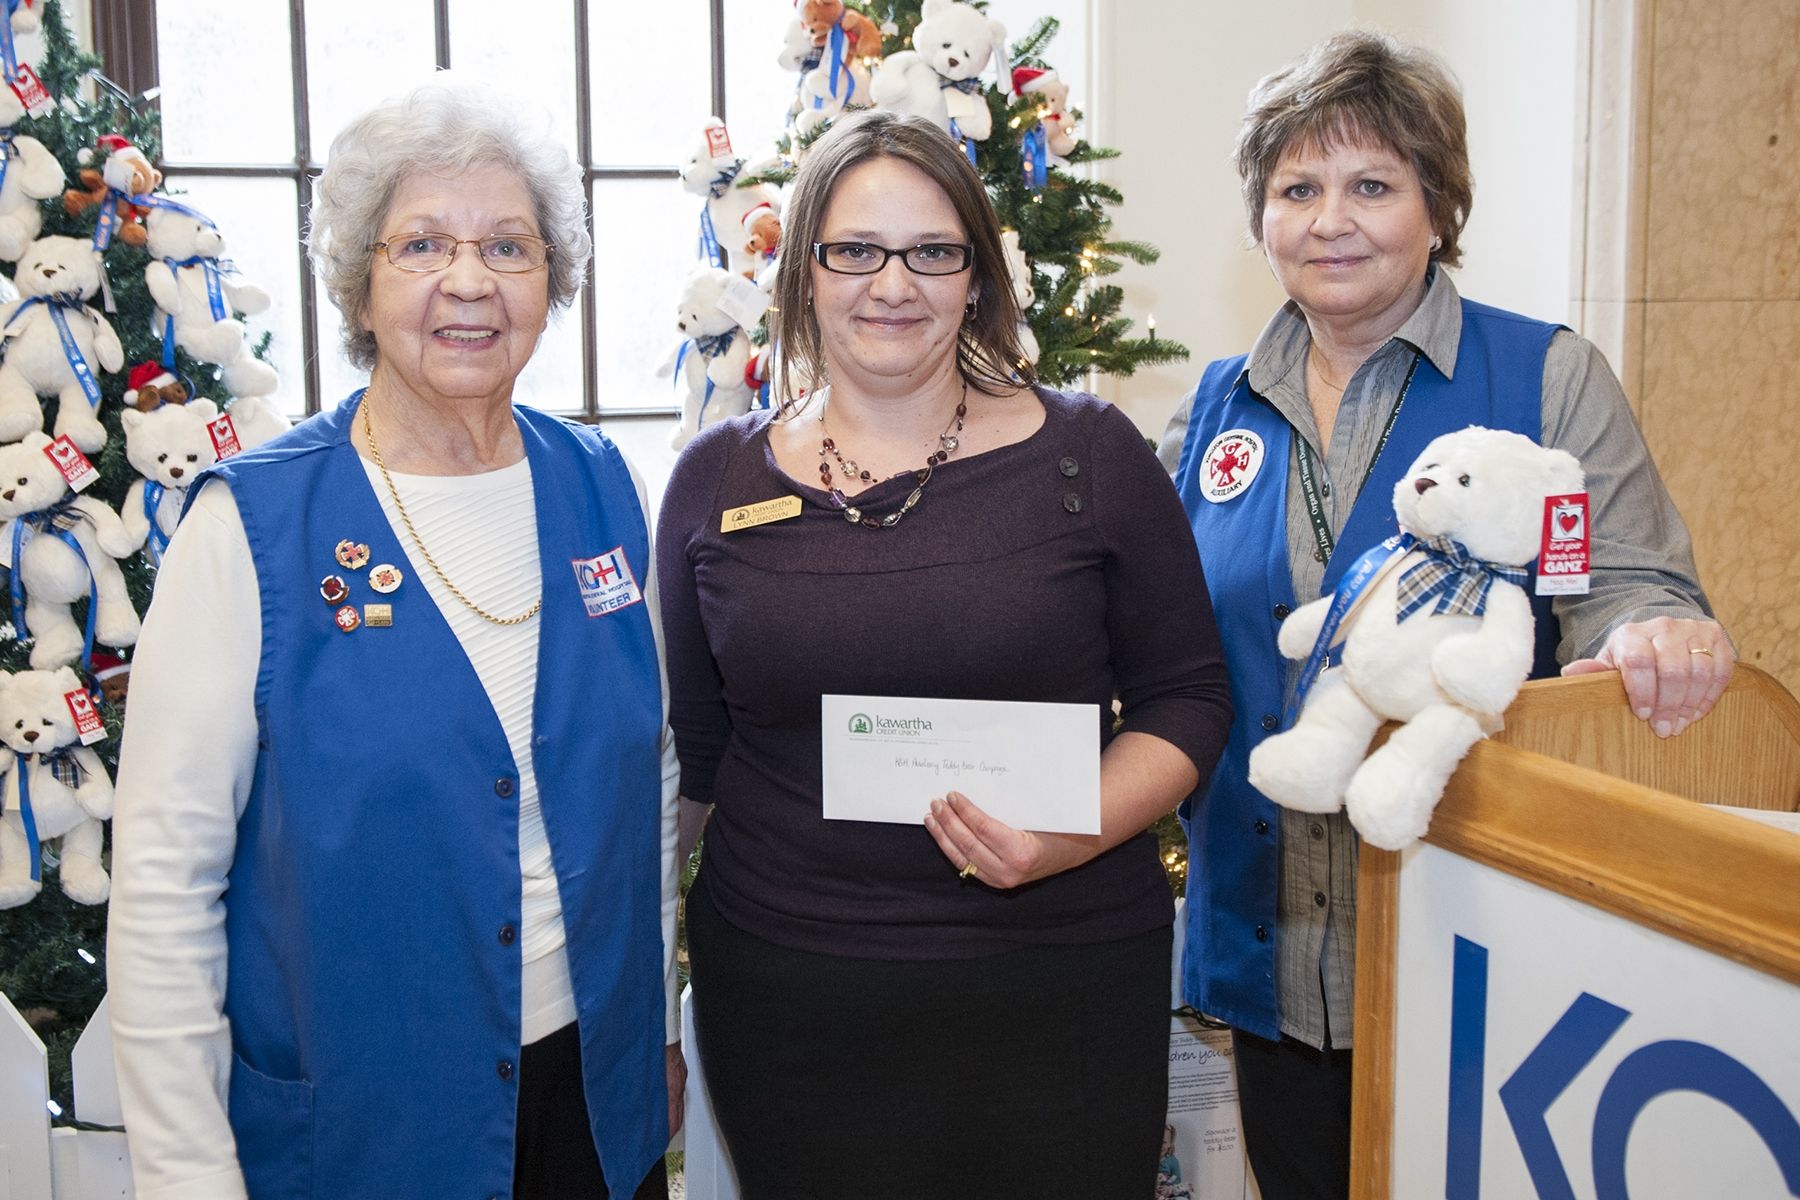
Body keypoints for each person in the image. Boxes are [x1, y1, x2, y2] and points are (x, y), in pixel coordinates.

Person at [1160, 31, 1733, 1199]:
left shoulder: (1546, 378)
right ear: (1262, 217)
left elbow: (1628, 584)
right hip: (1270, 960)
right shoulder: (1214, 409)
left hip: (1483, 954)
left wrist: (1651, 632)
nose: (1331, 219)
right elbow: (1149, 623)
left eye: (1372, 185)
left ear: (1438, 206)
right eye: (1298, 189)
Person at [106, 77, 683, 1200]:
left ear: (550, 283)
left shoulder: (605, 487)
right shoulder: (251, 531)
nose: (469, 282)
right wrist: (186, 1179)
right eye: (422, 244)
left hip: (589, 1112)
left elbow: (646, 784)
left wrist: (649, 1025)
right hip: (365, 1134)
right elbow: (167, 887)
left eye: (509, 247)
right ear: (359, 286)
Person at [658, 109, 1234, 1200]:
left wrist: (1072, 833)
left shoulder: (1090, 455)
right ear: (803, 273)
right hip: (790, 992)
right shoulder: (713, 482)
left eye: (932, 251)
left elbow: (1189, 698)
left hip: (1058, 979)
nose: (893, 284)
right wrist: (644, 995)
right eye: (855, 251)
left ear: (978, 273)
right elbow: (694, 750)